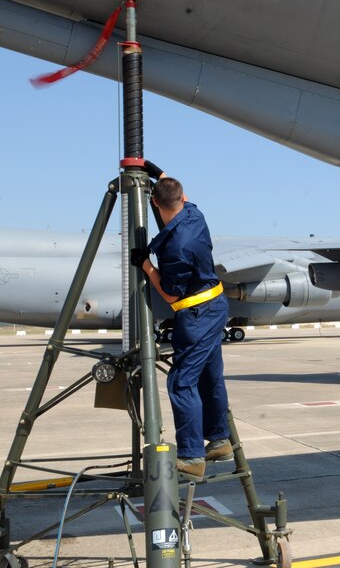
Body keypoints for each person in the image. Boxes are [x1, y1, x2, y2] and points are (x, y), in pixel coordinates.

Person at [130, 161, 232, 477]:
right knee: (210, 375)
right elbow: (176, 189)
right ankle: (219, 440)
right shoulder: (194, 215)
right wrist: (156, 171)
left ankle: (191, 457)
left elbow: (172, 295)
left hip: (196, 313)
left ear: (155, 203)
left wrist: (146, 265)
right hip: (216, 304)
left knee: (181, 381)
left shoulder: (175, 248)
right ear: (182, 199)